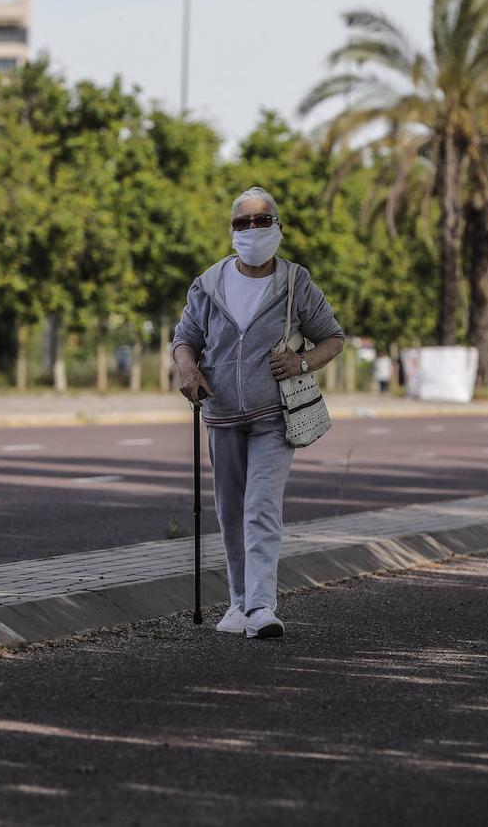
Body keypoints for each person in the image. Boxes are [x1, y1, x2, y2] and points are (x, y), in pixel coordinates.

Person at [171, 187, 344, 639]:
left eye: (261, 220)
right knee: (230, 511)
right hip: (221, 412)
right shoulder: (208, 283)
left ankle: (263, 606)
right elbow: (184, 337)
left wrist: (302, 362)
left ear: (278, 227)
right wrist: (188, 370)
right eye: (242, 222)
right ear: (232, 230)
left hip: (274, 414)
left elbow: (332, 337)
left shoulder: (294, 281)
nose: (251, 229)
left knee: (260, 506)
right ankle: (239, 602)